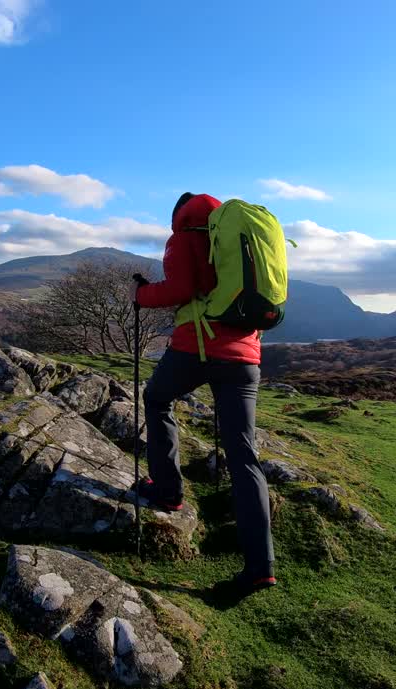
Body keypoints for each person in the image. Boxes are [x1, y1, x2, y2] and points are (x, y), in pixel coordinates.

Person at [133, 192, 276, 592]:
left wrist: (140, 295)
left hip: (197, 348)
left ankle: (168, 492)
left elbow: (180, 289)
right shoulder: (242, 239)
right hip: (246, 356)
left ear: (178, 215)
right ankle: (260, 567)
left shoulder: (184, 238)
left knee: (157, 399)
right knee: (244, 454)